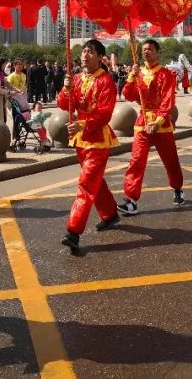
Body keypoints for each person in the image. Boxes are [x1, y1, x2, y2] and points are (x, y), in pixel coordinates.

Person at [57, 39, 121, 253]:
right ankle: (110, 214)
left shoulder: (106, 81)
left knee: (86, 182)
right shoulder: (75, 78)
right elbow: (64, 103)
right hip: (80, 139)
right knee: (95, 181)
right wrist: (66, 90)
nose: (85, 55)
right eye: (84, 51)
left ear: (101, 58)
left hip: (97, 138)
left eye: (90, 52)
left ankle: (73, 231)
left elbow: (105, 112)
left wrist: (83, 124)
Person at [119, 38, 185, 214]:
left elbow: (168, 100)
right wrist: (131, 77)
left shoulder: (165, 74)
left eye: (150, 49)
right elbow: (128, 95)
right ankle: (131, 200)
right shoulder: (138, 73)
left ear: (157, 52)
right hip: (142, 123)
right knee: (136, 161)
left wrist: (158, 121)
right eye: (144, 49)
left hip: (161, 124)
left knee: (171, 161)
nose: (146, 52)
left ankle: (177, 188)